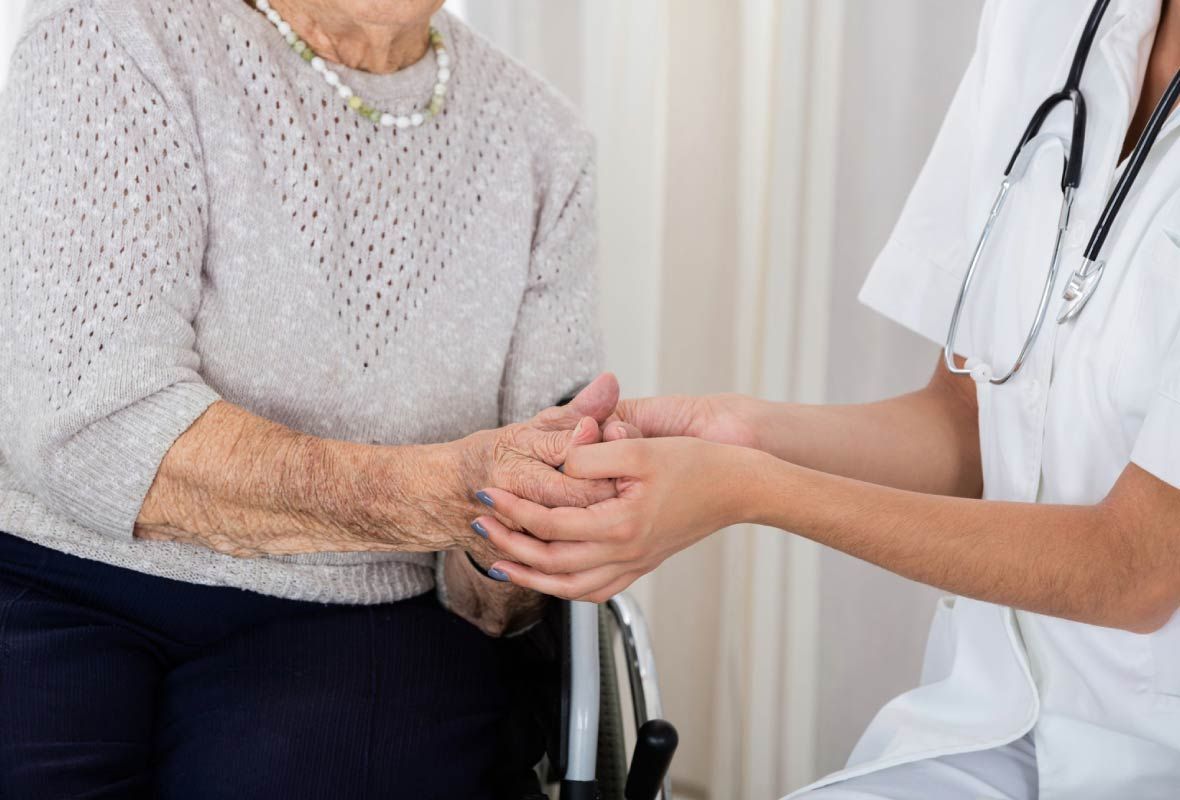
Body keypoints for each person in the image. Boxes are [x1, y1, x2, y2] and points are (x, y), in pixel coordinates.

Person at [474, 0, 1180, 797]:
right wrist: (735, 434)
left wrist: (749, 491)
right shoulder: (1042, 20)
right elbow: (967, 421)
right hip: (983, 731)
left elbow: (1138, 569)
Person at [0, 0, 607, 796]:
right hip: (60, 574)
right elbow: (91, 426)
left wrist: (533, 531)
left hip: (360, 613)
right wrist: (437, 492)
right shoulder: (113, 37)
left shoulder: (546, 144)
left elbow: (497, 582)